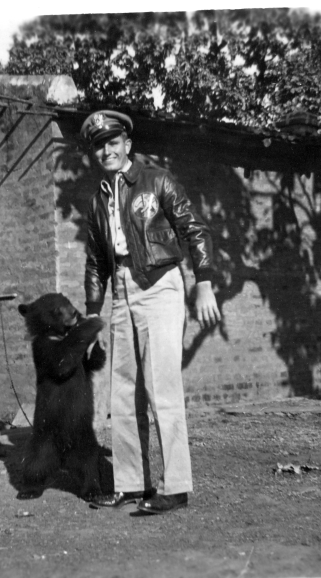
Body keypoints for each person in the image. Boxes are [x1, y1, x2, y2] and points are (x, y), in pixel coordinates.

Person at [81, 110, 221, 514]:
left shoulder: (156, 179)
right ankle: (131, 483)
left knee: (162, 387)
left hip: (160, 285)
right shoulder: (97, 201)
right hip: (122, 291)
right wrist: (94, 315)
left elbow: (194, 228)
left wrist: (204, 281)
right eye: (99, 145)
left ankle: (175, 487)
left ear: (127, 144)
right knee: (122, 392)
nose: (106, 150)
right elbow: (95, 262)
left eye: (113, 142)